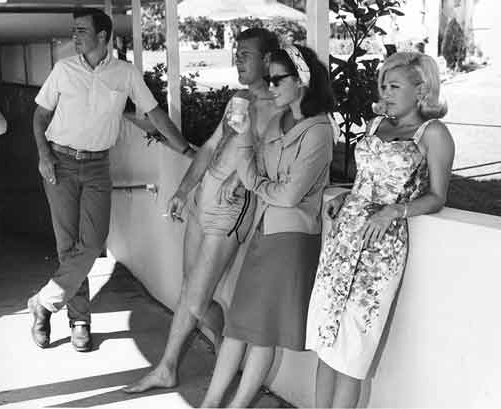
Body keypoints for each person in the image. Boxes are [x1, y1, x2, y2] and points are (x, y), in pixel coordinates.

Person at [122, 28, 281, 393]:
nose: (236, 59)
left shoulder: (277, 107)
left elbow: (272, 162)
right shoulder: (239, 99)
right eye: (236, 53)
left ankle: (223, 348)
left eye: (244, 54)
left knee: (196, 296)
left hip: (231, 210)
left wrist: (240, 181)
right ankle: (168, 366)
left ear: (267, 60)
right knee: (190, 291)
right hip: (203, 199)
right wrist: (183, 190)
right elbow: (211, 147)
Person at [28, 7, 194, 353]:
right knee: (68, 246)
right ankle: (80, 321)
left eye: (81, 31)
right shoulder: (63, 70)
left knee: (91, 244)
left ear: (103, 37)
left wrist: (188, 151)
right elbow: (40, 115)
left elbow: (154, 114)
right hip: (59, 162)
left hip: (97, 167)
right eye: (73, 31)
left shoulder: (125, 74)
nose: (75, 37)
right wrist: (44, 156)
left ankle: (43, 302)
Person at [306, 52, 455, 408]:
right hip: (343, 240)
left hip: (380, 249)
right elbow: (366, 182)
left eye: (394, 86)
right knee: (326, 344)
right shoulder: (376, 126)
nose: (385, 93)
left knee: (352, 351)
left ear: (421, 89)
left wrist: (395, 211)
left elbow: (437, 197)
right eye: (382, 85)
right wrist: (345, 197)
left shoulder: (433, 134)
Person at [201, 45, 336, 408]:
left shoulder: (319, 131)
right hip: (267, 232)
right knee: (241, 327)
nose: (270, 85)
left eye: (278, 79)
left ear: (302, 81)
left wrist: (254, 182)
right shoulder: (279, 120)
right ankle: (213, 404)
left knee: (259, 333)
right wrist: (244, 133)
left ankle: (230, 405)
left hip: (291, 239)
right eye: (269, 78)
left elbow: (289, 195)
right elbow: (254, 164)